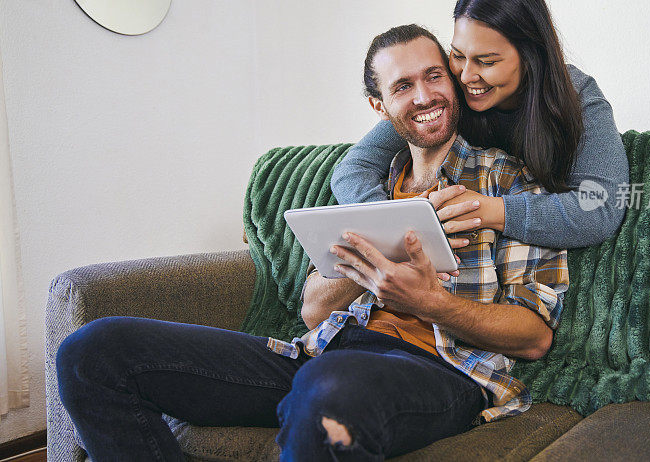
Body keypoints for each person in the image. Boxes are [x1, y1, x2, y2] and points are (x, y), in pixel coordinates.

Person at [55, 25, 568, 461]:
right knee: (92, 351)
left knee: (327, 390)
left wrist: (432, 303)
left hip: (441, 370)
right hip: (322, 352)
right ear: (379, 105)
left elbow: (534, 336)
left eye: (434, 77)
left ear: (453, 84)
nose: (423, 96)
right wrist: (381, 247)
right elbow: (312, 310)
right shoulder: (366, 192)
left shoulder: (509, 184)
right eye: (402, 85)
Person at [331, 0, 629, 250]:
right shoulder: (444, 95)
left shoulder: (577, 97)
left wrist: (486, 208)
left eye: (486, 61)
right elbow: (352, 170)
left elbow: (600, 208)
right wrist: (390, 225)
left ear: (530, 57)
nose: (465, 76)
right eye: (458, 55)